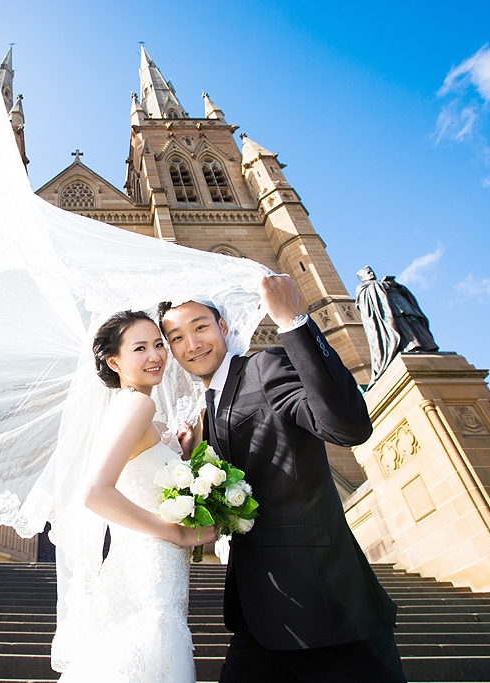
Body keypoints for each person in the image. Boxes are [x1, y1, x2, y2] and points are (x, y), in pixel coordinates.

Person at [159, 274, 406, 683]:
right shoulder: (209, 406)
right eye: (177, 338)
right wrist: (191, 461)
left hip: (326, 604)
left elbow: (347, 427)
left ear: (223, 326)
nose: (192, 344)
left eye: (200, 327)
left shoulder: (264, 366)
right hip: (260, 613)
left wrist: (292, 321)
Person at [55, 309, 215, 683]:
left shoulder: (132, 409)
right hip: (149, 563)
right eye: (140, 348)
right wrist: (178, 533)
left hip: (136, 562)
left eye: (159, 344)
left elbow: (139, 478)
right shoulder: (140, 404)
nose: (156, 355)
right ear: (115, 362)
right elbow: (95, 493)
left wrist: (181, 456)